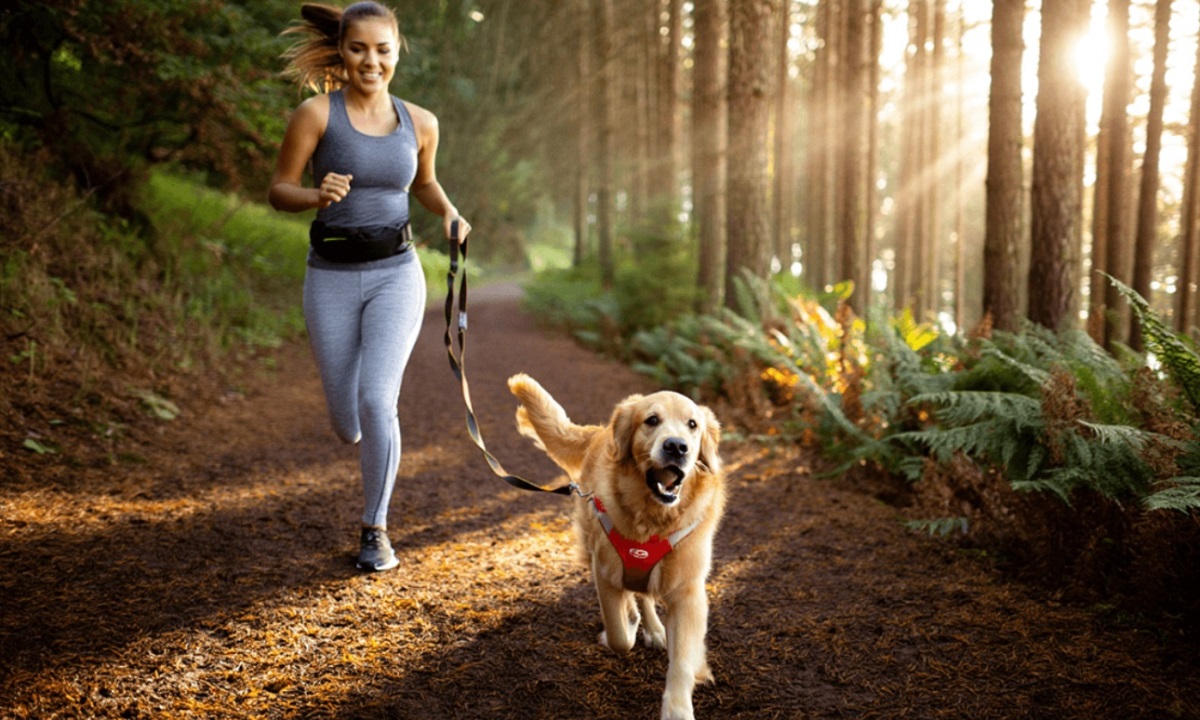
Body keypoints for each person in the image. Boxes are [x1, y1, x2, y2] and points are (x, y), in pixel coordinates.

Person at [268, 1, 470, 571]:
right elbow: (278, 189)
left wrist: (451, 214)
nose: (371, 61)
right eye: (358, 48)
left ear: (398, 52)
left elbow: (425, 184)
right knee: (346, 421)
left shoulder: (421, 121)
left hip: (397, 274)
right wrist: (315, 195)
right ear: (342, 51)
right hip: (329, 274)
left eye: (383, 50)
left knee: (379, 400)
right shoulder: (316, 114)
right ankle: (360, 428)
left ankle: (375, 528)